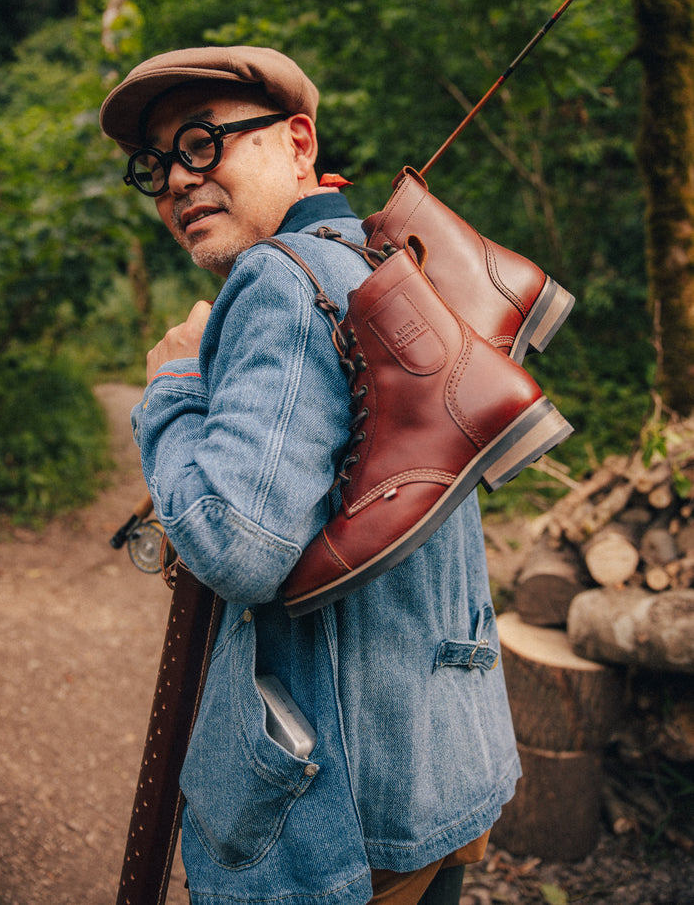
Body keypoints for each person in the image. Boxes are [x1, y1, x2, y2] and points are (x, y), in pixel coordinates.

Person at [100, 45, 521, 905]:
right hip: (444, 769)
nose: (176, 179)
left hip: (342, 819)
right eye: (156, 164)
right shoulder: (384, 264)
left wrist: (174, 384)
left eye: (203, 142)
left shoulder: (280, 277)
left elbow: (236, 544)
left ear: (299, 142)